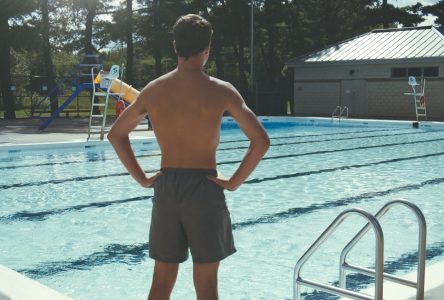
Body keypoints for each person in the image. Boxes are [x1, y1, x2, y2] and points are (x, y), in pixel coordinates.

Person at [108, 14, 270, 300]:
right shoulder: (221, 91)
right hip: (205, 189)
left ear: (174, 46)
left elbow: (116, 134)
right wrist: (233, 182)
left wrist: (143, 179)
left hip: (167, 187)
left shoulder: (154, 90)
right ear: (207, 48)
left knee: (161, 283)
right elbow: (260, 141)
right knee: (206, 287)